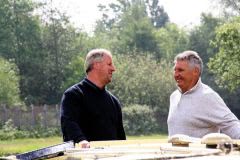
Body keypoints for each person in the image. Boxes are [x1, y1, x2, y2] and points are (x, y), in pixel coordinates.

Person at [60, 48, 126, 148]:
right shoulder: (74, 95)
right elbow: (69, 124)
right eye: (109, 64)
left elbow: (121, 139)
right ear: (96, 65)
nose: (113, 68)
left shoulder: (114, 102)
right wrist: (81, 141)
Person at [167, 50, 240, 139]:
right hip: (173, 153)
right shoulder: (174, 96)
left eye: (180, 70)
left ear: (196, 71)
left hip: (201, 153)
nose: (176, 74)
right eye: (175, 70)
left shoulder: (208, 96)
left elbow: (231, 124)